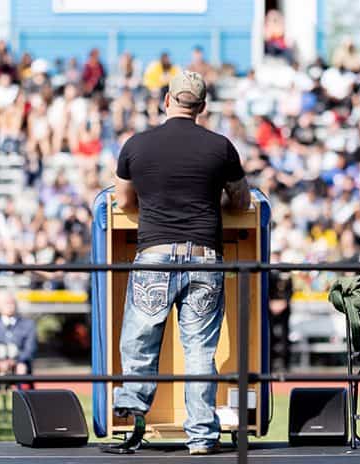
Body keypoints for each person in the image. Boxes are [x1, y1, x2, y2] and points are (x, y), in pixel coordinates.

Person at [107, 70, 250, 455]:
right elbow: (241, 202)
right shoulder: (221, 147)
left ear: (166, 100)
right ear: (202, 107)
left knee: (140, 341)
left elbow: (122, 202)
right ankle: (202, 437)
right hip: (205, 255)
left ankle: (134, 419)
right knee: (200, 350)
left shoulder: (136, 145)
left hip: (153, 253)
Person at [0, 292, 37, 381]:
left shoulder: (28, 324)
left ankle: (20, 393)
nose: (9, 305)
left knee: (22, 369)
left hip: (20, 367)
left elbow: (30, 349)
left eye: (11, 302)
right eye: (6, 303)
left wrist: (15, 362)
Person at [268, 247, 293, 372]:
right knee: (269, 336)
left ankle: (285, 364)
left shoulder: (285, 272)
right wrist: (270, 303)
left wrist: (284, 302)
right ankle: (269, 363)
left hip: (283, 308)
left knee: (285, 337)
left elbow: (289, 291)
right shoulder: (268, 273)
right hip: (270, 308)